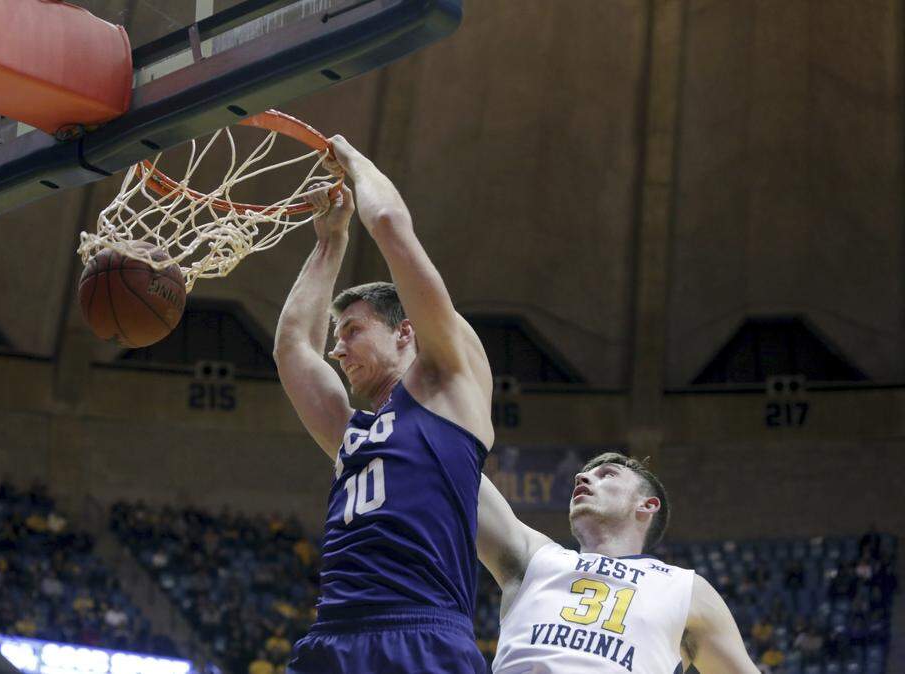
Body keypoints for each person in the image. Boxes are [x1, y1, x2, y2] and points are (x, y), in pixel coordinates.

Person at [273, 135, 494, 673]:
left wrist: (351, 161)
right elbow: (292, 348)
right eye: (338, 334)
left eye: (352, 330)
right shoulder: (351, 431)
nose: (337, 347)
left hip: (423, 633)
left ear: (404, 333)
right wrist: (329, 242)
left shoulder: (450, 383)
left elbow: (392, 226)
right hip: (333, 638)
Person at [477, 452, 759, 672]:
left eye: (607, 475)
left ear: (647, 505)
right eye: (584, 474)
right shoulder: (535, 557)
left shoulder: (687, 589)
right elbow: (458, 473)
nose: (581, 477)